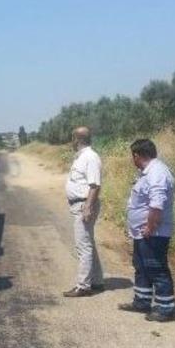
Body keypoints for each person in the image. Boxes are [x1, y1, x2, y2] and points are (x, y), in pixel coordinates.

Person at [118, 139, 175, 322]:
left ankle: (165, 308)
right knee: (142, 267)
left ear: (137, 155)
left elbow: (157, 204)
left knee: (156, 268)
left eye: (132, 156)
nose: (132, 159)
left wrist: (150, 227)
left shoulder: (157, 172)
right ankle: (141, 301)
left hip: (154, 233)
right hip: (143, 232)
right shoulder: (147, 172)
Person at [63, 127, 106, 297]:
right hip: (80, 204)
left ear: (77, 139)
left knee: (83, 246)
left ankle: (83, 286)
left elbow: (94, 185)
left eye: (72, 138)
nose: (71, 142)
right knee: (88, 243)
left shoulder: (90, 157)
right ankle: (97, 281)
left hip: (84, 205)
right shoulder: (81, 157)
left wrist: (88, 206)